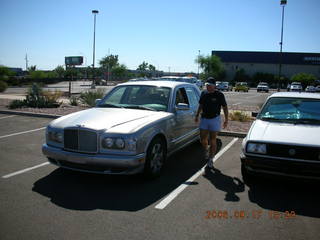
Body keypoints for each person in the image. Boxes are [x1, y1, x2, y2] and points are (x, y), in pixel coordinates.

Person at [195, 77, 229, 169]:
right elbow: (201, 105)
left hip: (215, 119)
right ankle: (206, 149)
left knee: (213, 140)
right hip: (204, 118)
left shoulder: (219, 95)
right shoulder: (204, 93)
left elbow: (225, 107)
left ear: (214, 86)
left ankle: (210, 159)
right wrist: (197, 115)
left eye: (209, 85)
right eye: (207, 85)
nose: (208, 87)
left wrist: (226, 120)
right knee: (203, 139)